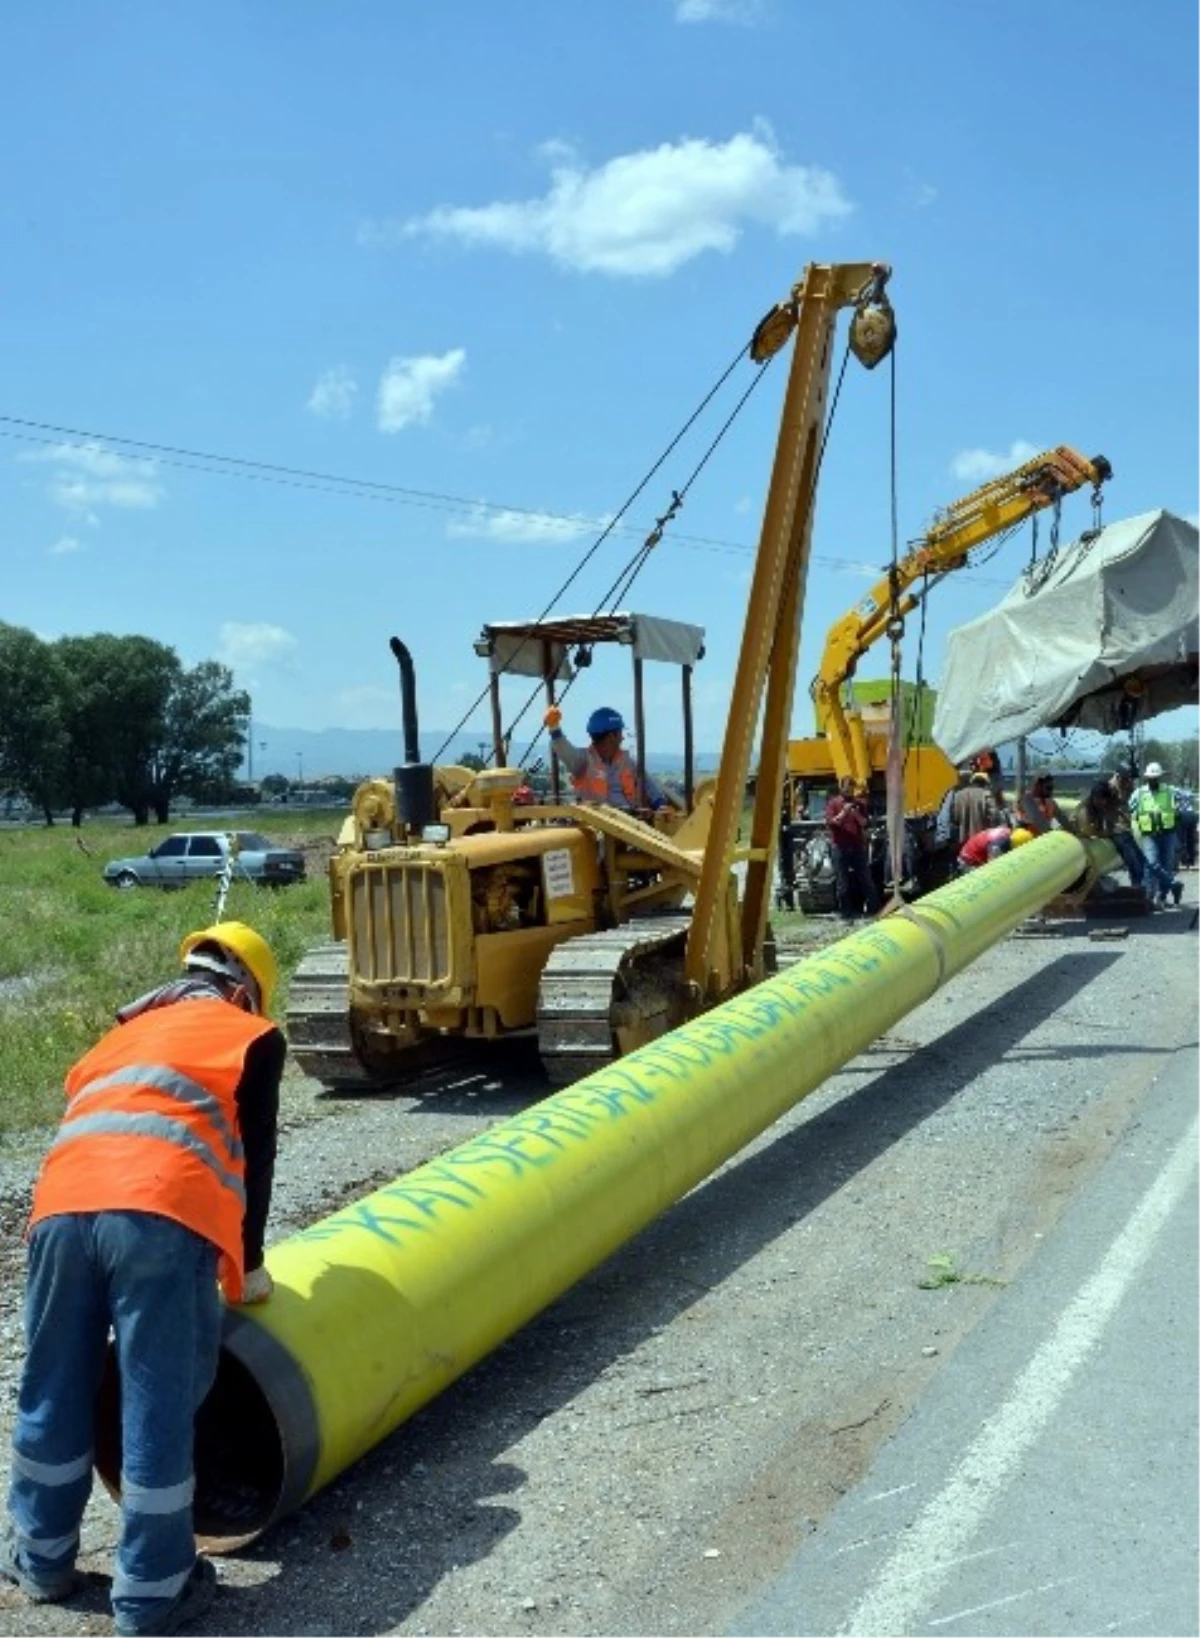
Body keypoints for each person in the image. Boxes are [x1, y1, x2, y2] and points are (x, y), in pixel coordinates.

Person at [3, 922, 285, 1637]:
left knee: (53, 1385)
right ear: (246, 988)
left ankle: (39, 1561)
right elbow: (254, 1161)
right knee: (157, 1399)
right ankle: (153, 1594)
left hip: (60, 1213)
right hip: (160, 1215)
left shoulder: (117, 1038)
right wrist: (244, 1271)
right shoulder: (244, 1034)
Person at [544, 704, 668, 811]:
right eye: (620, 733)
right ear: (611, 736)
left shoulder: (628, 763)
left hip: (630, 825)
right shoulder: (583, 761)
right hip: (597, 827)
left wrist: (661, 806)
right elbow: (565, 751)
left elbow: (651, 788)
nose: (622, 738)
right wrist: (554, 727)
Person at [1129, 761, 1184, 908]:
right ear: (1147, 778)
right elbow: (1129, 808)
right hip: (1149, 834)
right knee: (1152, 863)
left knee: (1165, 865)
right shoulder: (1139, 794)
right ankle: (1169, 886)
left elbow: (1185, 799)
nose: (1153, 780)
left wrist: (1180, 807)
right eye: (1151, 778)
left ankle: (1161, 898)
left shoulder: (1170, 791)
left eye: (1156, 778)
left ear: (1160, 778)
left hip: (1168, 833)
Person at [824, 777, 880, 920]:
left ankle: (874, 909)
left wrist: (856, 814)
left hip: (857, 846)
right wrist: (843, 812)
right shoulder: (833, 803)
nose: (849, 790)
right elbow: (831, 823)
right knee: (842, 882)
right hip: (840, 847)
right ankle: (846, 913)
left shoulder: (859, 805)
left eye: (851, 787)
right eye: (847, 787)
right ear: (841, 787)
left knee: (865, 878)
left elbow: (865, 823)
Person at [1107, 766, 1147, 895]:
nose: (1128, 783)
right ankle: (1137, 887)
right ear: (1118, 777)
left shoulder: (1126, 786)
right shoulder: (1110, 789)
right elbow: (1112, 811)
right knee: (1133, 859)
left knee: (1140, 859)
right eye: (1126, 779)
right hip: (1114, 830)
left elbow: (1128, 805)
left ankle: (1140, 888)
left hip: (1124, 829)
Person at [949, 769, 1001, 845]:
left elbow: (954, 818)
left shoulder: (958, 795)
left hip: (962, 840)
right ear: (985, 783)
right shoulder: (987, 795)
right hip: (981, 840)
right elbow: (994, 816)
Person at [956, 824, 1035, 872]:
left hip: (974, 855)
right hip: (969, 862)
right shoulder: (997, 846)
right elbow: (993, 868)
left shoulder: (1008, 833)